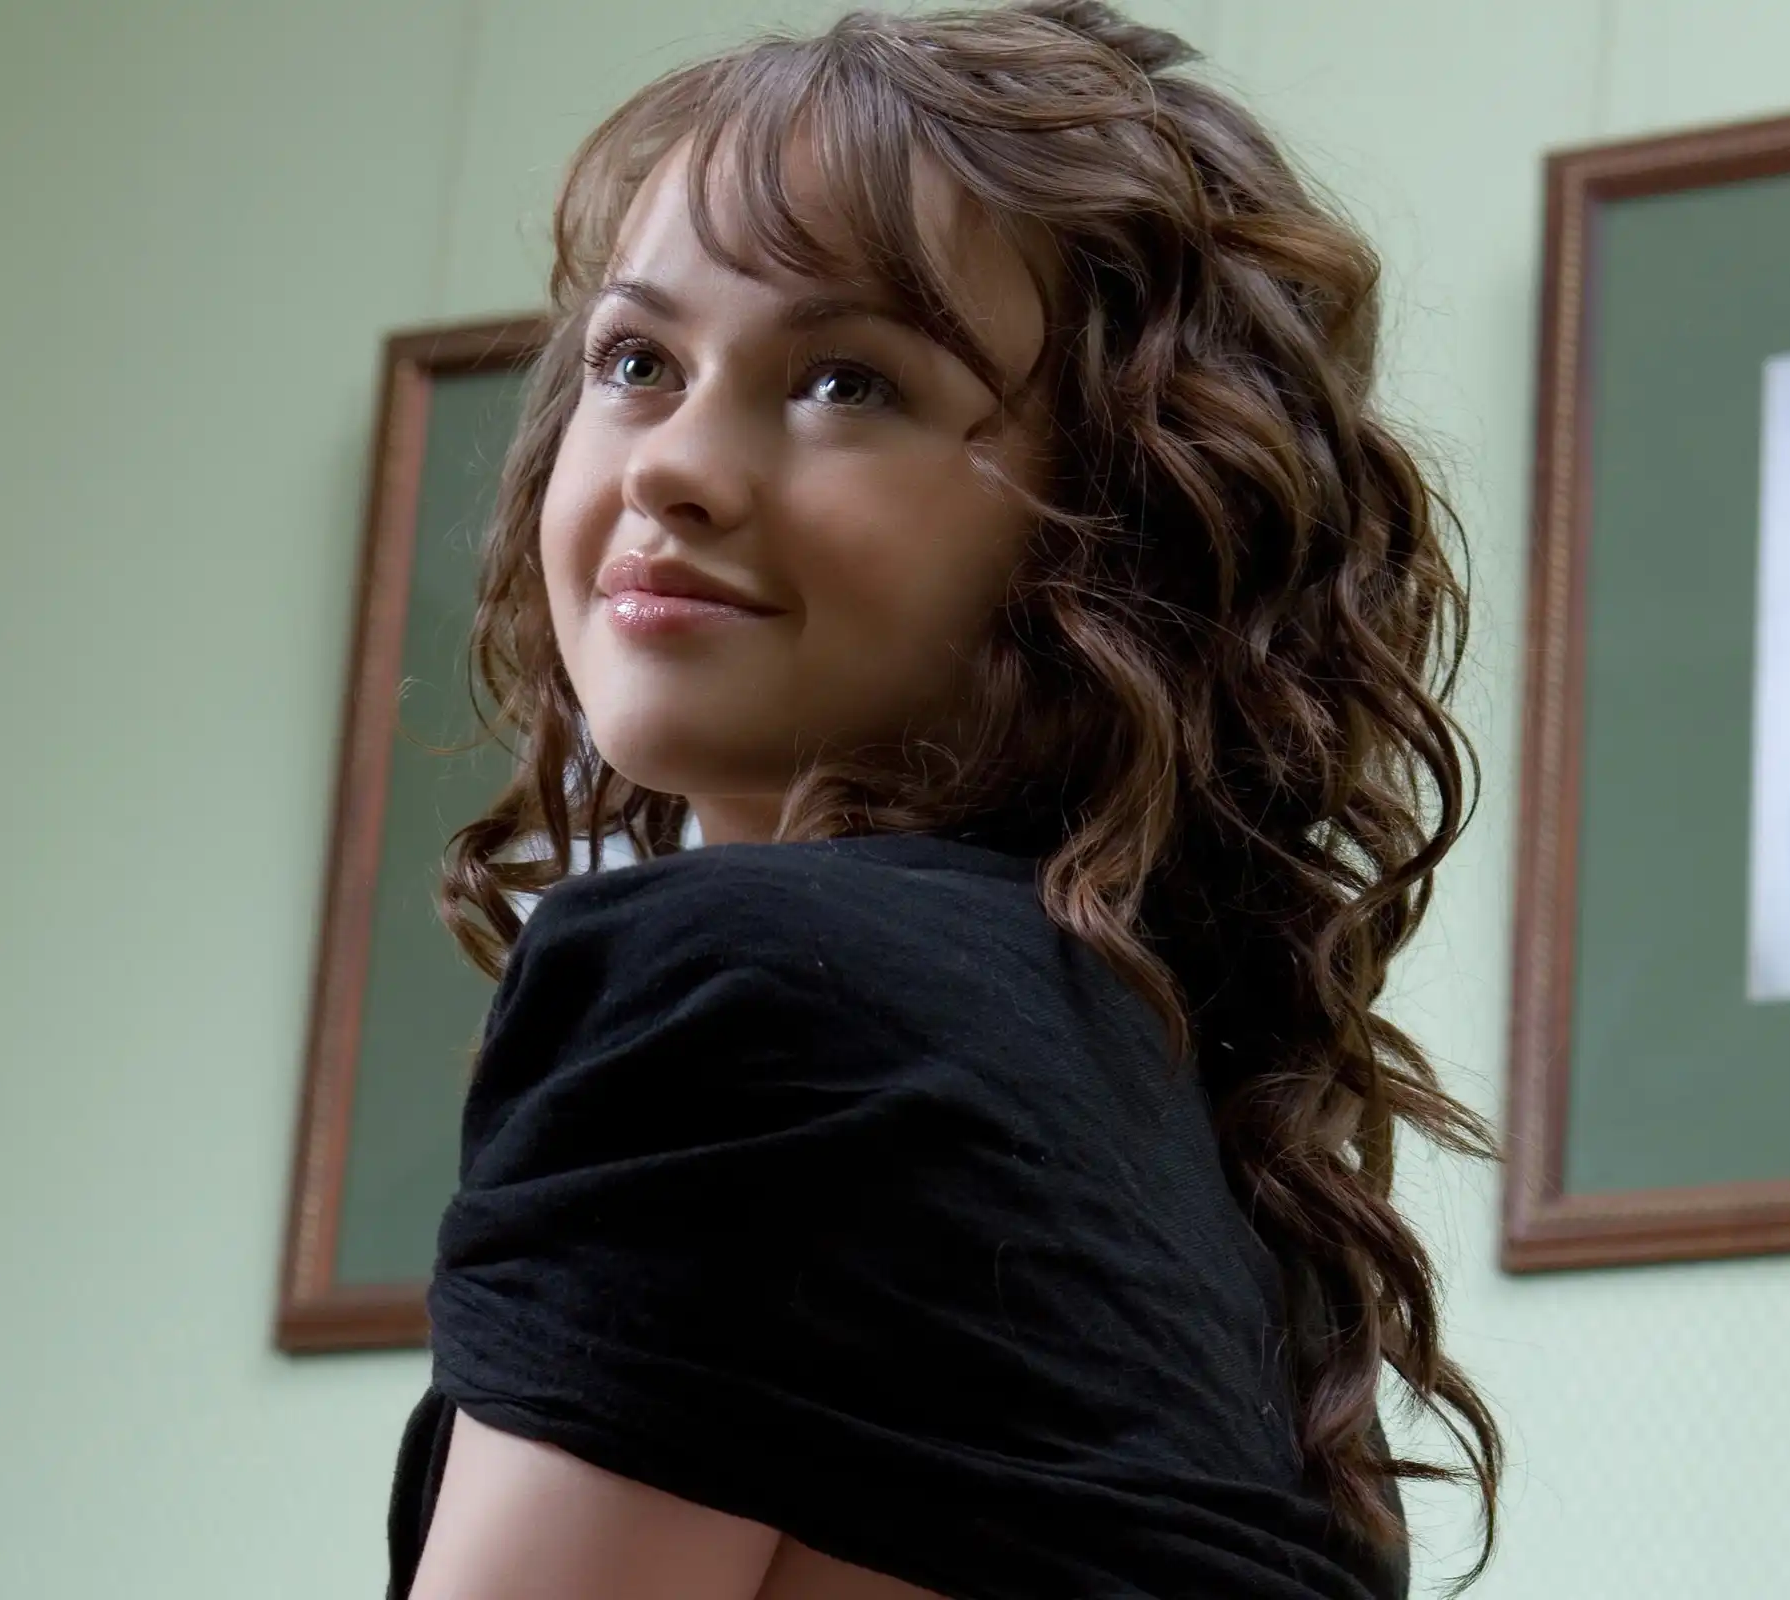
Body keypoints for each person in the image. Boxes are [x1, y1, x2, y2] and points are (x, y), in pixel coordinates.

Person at [384, 3, 1500, 1596]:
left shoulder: (745, 999)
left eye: (847, 381)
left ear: (1115, 517)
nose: (670, 466)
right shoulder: (1233, 1194)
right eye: (637, 362)